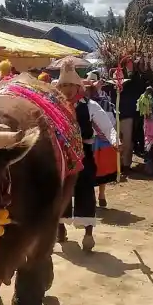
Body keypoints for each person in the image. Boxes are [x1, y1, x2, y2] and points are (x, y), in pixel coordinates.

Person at [56, 60, 106, 252]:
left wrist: (115, 139)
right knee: (60, 192)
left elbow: (106, 125)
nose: (67, 89)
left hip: (84, 155)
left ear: (78, 86)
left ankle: (88, 233)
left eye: (70, 85)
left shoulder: (90, 106)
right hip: (61, 156)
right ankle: (60, 227)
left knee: (86, 191)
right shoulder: (55, 106)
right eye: (63, 85)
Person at [84, 78, 119, 208]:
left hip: (102, 142)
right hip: (87, 142)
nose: (85, 92)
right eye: (83, 89)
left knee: (102, 169)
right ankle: (92, 195)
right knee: (89, 170)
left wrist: (113, 138)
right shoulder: (76, 104)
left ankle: (102, 194)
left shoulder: (106, 104)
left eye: (88, 89)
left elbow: (112, 123)